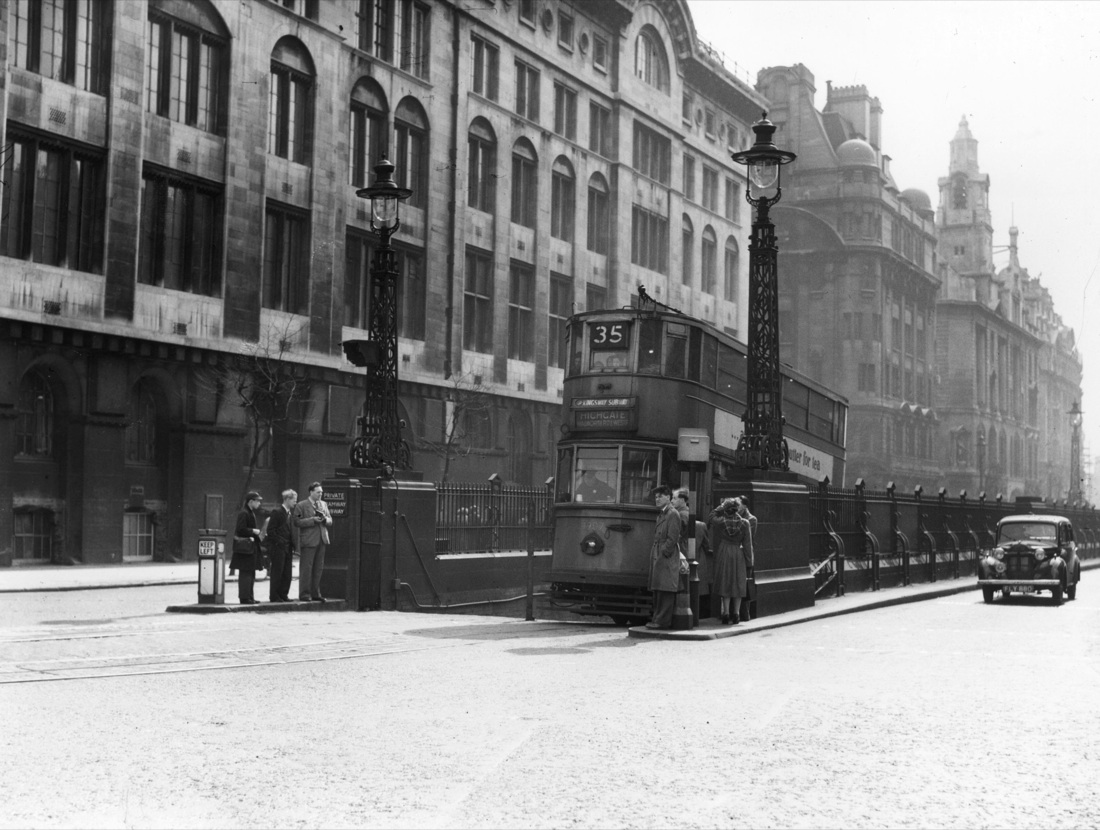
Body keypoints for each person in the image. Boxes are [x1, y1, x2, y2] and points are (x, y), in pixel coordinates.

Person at [707, 497, 750, 625]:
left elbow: (711, 516)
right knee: (738, 582)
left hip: (724, 551)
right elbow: (747, 545)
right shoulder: (745, 523)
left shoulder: (720, 521)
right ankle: (736, 614)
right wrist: (749, 563)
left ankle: (726, 613)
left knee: (725, 581)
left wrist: (721, 507)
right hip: (738, 553)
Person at [645, 485, 682, 630]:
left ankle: (662, 621)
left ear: (668, 497)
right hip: (659, 552)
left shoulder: (672, 514)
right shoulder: (662, 514)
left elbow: (673, 538)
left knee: (665, 588)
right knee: (658, 588)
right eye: (656, 497)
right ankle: (657, 619)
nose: (657, 499)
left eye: (660, 496)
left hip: (666, 555)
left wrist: (664, 552)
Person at [293, 481, 332, 603]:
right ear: (311, 492)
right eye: (318, 492)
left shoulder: (324, 504)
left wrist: (325, 519)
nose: (320, 494)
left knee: (318, 568)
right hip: (309, 541)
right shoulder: (301, 505)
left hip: (322, 539)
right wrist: (312, 520)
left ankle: (316, 593)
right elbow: (297, 521)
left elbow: (330, 520)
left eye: (321, 492)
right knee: (307, 568)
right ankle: (305, 594)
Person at [231, 491, 266, 605]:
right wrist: (253, 531)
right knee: (246, 573)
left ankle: (249, 597)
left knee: (250, 573)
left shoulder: (249, 512)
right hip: (245, 549)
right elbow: (240, 529)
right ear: (251, 501)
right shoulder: (244, 513)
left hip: (248, 548)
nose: (259, 503)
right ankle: (245, 598)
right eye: (257, 501)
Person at [265, 488, 297, 602]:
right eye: (294, 500)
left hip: (287, 548)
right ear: (287, 499)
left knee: (287, 573)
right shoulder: (277, 512)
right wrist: (281, 541)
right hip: (278, 548)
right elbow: (271, 531)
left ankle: (283, 594)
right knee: (277, 573)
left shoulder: (289, 514)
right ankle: (274, 596)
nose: (295, 502)